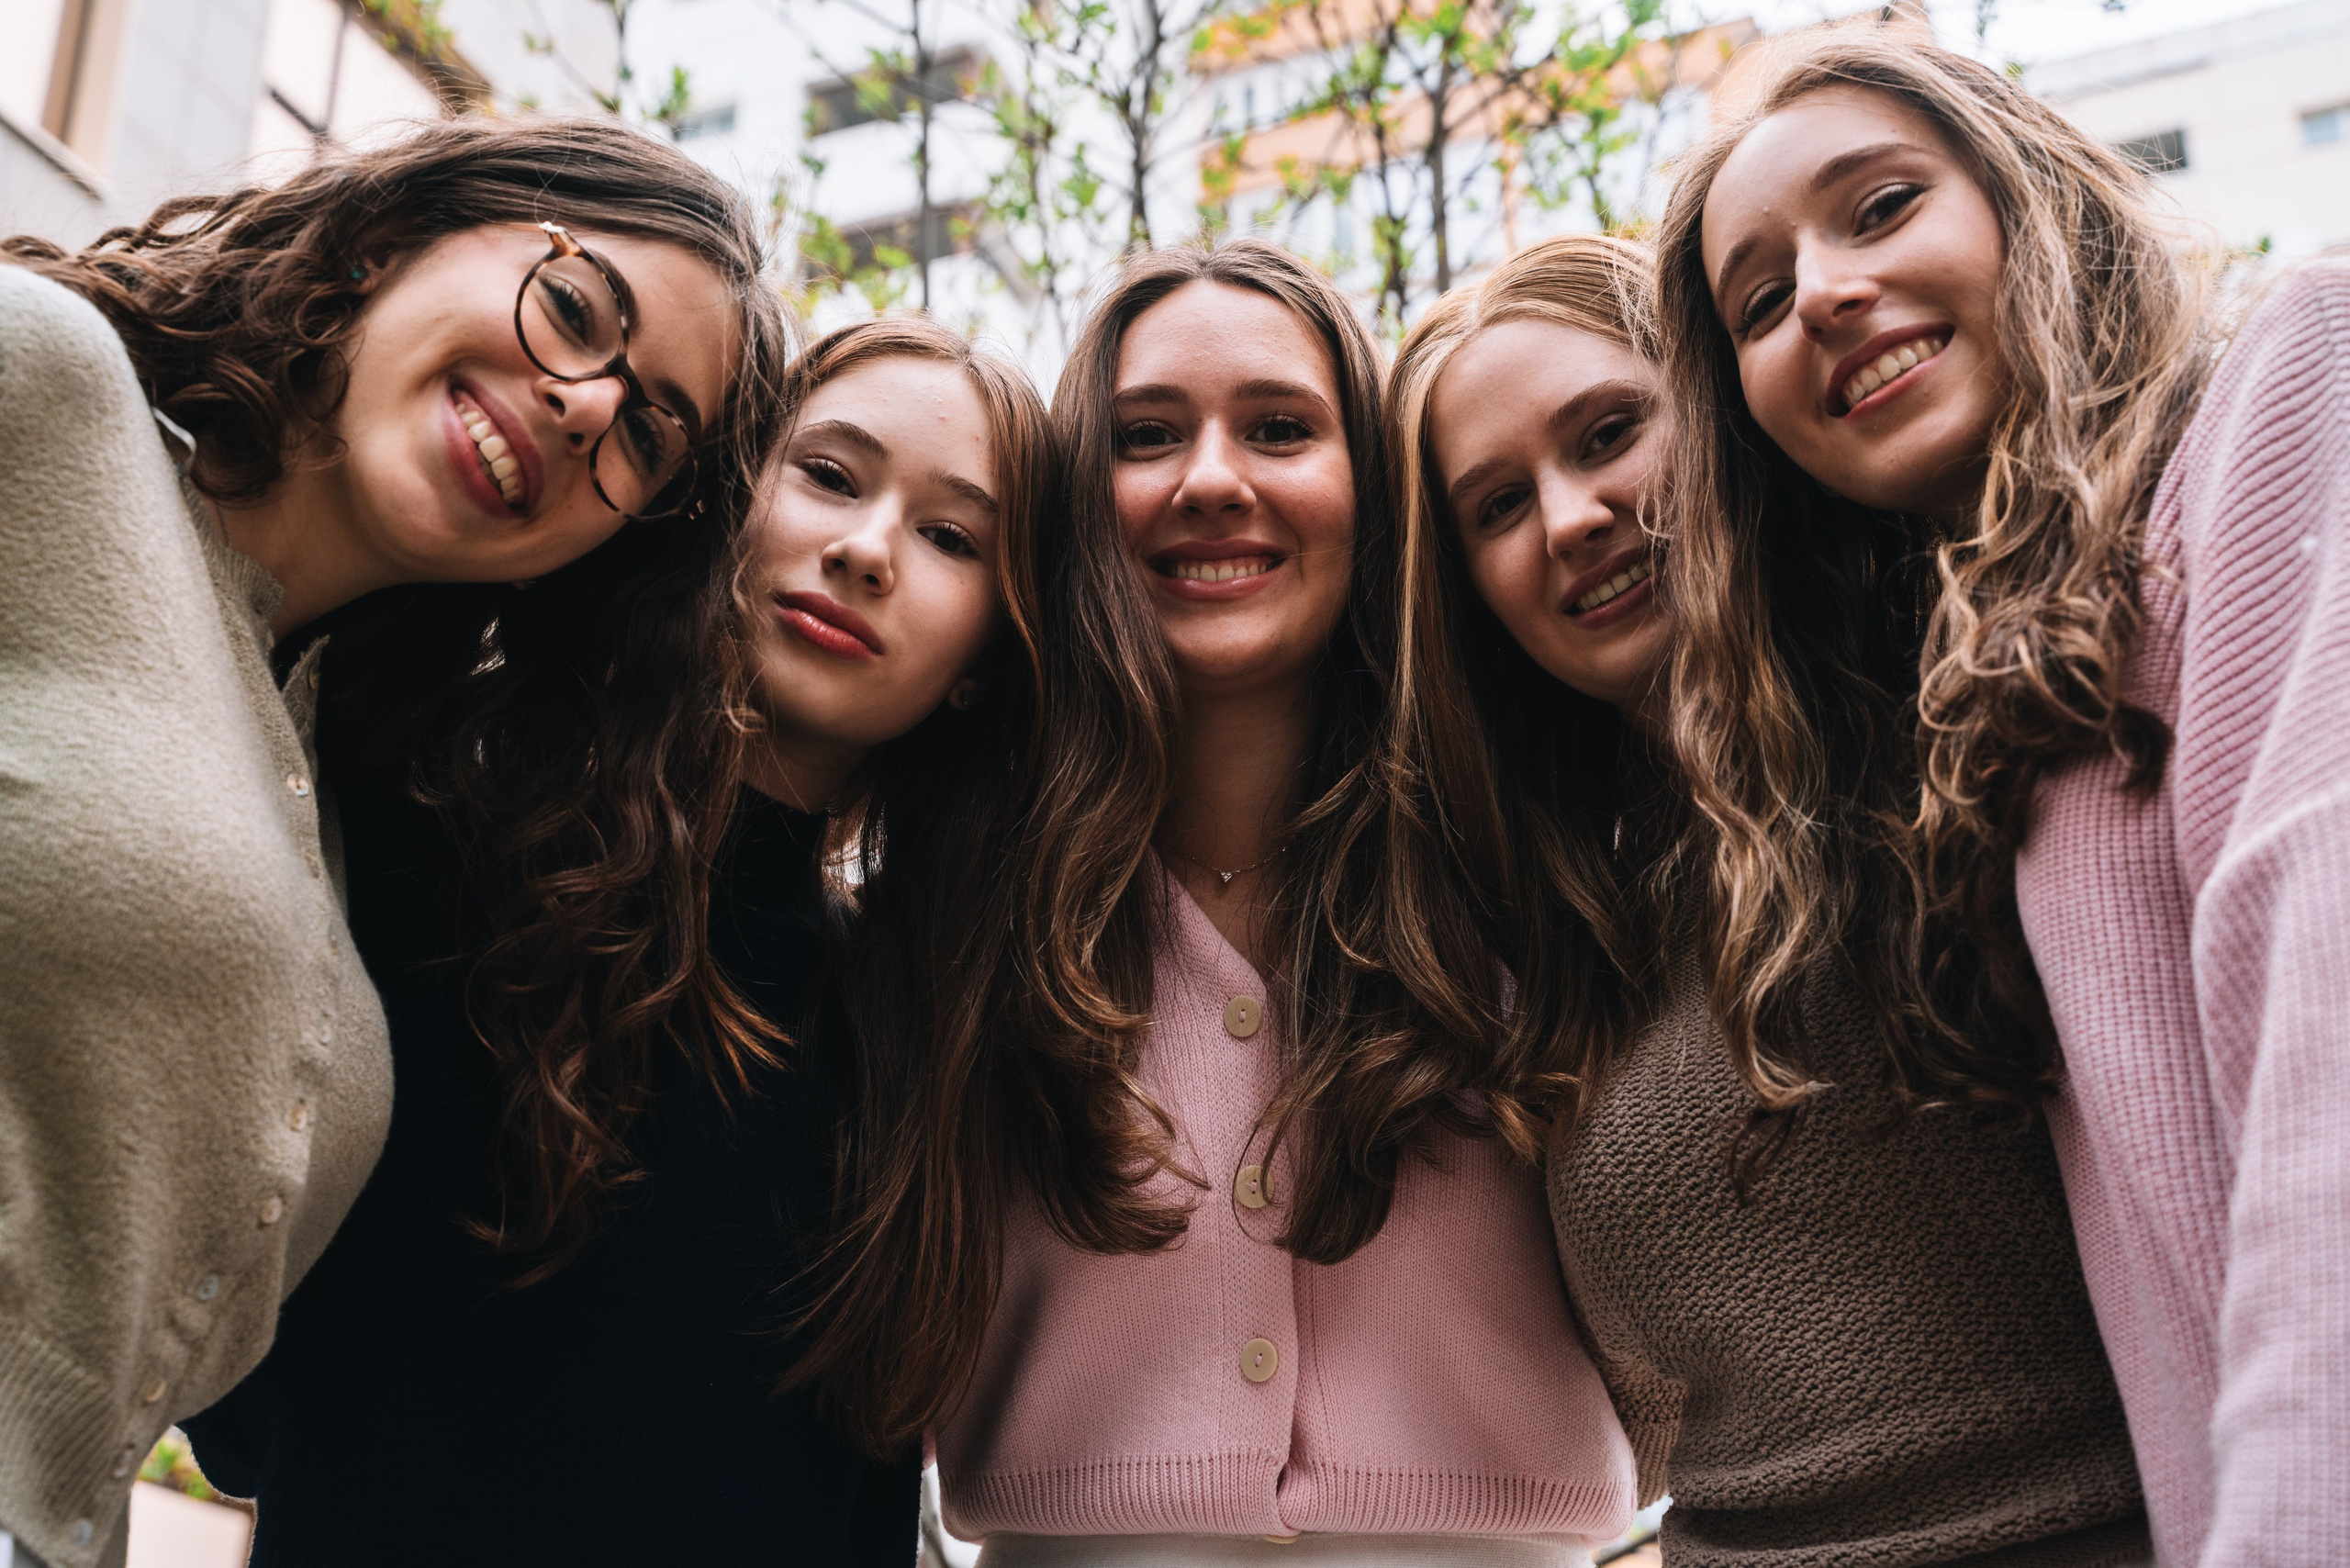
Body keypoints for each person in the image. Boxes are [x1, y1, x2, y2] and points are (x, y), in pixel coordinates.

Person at [0, 115, 775, 1568]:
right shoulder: (43, 388)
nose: (591, 406)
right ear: (387, 240)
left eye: (652, 429)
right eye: (576, 308)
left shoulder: (339, 786)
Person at [799, 237, 1637, 1567]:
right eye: (1146, 436)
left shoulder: (1536, 859)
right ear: (1078, 498)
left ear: (1373, 486)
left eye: (1280, 428)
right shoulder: (952, 900)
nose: (1210, 481)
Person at [178, 314, 1050, 1563]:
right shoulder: (433, 836)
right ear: (730, 500)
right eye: (828, 475)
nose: (866, 552)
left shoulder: (921, 1031)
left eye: (952, 537)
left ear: (982, 659)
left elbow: (859, 1491)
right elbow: (243, 1388)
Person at [1654, 29, 2350, 1565]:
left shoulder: (2292, 389)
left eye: (1882, 205)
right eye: (1759, 302)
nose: (1824, 291)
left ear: (2031, 201)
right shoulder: (1996, 709)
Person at [1393, 230, 2151, 1566]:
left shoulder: (1972, 726)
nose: (1570, 517)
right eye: (1498, 507)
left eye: (1610, 431)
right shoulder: (1546, 928)